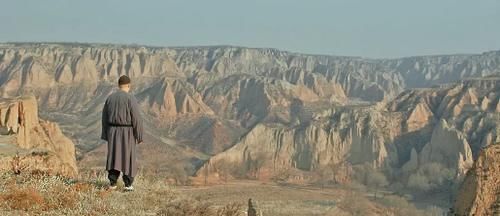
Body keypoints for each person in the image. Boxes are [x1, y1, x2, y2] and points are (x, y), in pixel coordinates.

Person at [101, 75, 144, 191]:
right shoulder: (131, 99)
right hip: (127, 132)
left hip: (112, 132)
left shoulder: (110, 98)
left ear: (118, 85)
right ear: (129, 85)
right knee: (128, 157)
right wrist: (139, 135)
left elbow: (104, 117)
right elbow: (136, 118)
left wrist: (105, 134)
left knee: (113, 156)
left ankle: (112, 183)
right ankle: (128, 185)